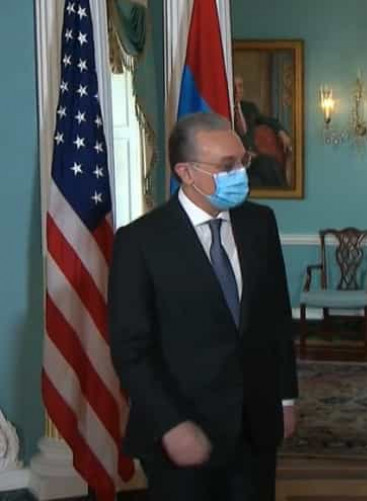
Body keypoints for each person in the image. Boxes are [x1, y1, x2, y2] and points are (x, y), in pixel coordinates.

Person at [109, 112, 298, 500]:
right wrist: (171, 423)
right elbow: (131, 349)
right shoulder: (141, 242)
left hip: (255, 429)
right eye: (226, 166)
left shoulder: (260, 223)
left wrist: (285, 398)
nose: (240, 174)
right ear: (186, 172)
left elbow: (277, 321)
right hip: (181, 433)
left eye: (243, 161)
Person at [233, 75, 293, 188]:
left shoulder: (249, 108)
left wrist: (281, 132)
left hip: (252, 158)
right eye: (234, 87)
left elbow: (268, 120)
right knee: (264, 168)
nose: (237, 91)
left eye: (240, 86)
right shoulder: (221, 108)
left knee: (270, 164)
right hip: (233, 160)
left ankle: (285, 194)